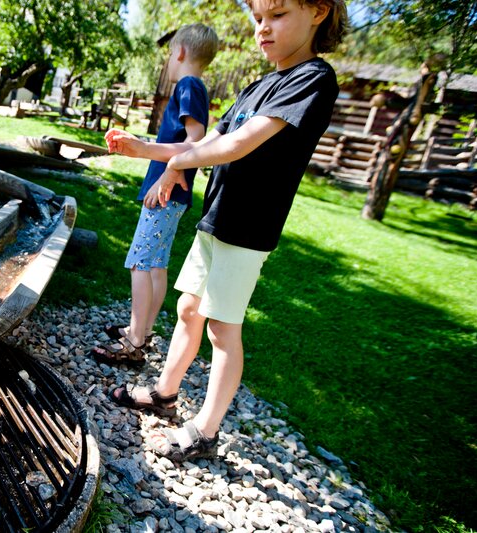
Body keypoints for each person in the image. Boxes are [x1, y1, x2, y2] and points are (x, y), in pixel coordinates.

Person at [105, 0, 346, 462]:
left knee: (221, 328)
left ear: (318, 11)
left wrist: (176, 162)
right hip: (217, 217)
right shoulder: (261, 83)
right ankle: (164, 393)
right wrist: (145, 151)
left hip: (249, 226)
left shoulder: (312, 80)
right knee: (189, 308)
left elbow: (238, 144)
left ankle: (206, 430)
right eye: (258, 19)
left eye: (277, 16)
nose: (263, 29)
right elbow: (210, 141)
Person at [89, 23, 218, 368]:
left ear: (179, 52)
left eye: (169, 54)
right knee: (156, 264)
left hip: (165, 191)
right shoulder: (198, 88)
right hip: (174, 194)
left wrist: (164, 172)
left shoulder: (188, 85)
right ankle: (142, 330)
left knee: (140, 263)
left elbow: (197, 140)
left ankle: (133, 341)